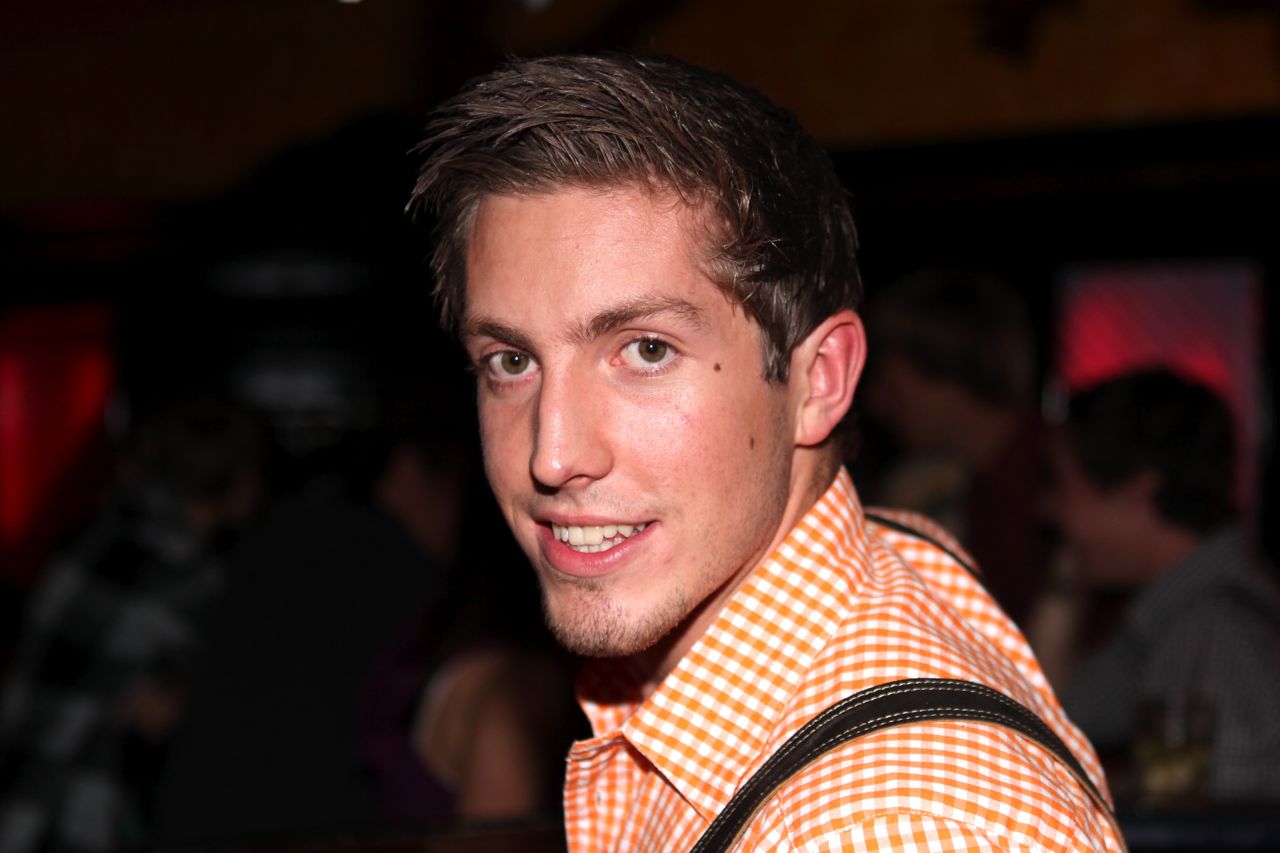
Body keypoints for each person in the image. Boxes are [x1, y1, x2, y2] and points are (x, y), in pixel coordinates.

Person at [410, 53, 1123, 850]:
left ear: (819, 379)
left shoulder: (887, 829)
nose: (552, 454)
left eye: (646, 350)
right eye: (511, 361)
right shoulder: (894, 550)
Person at [0, 396, 266, 853]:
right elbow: (157, 713)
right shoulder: (181, 575)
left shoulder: (97, 534)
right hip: (65, 813)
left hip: (20, 786)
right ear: (238, 478)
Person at [1039, 369, 1280, 804]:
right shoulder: (1174, 616)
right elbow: (1050, 715)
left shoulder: (1217, 631)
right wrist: (1064, 587)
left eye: (1062, 486)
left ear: (1137, 495)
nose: (1048, 510)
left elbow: (1224, 826)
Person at [865, 270, 1048, 625]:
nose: (877, 403)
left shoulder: (1054, 483)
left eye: (890, 383)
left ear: (943, 372)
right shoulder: (957, 482)